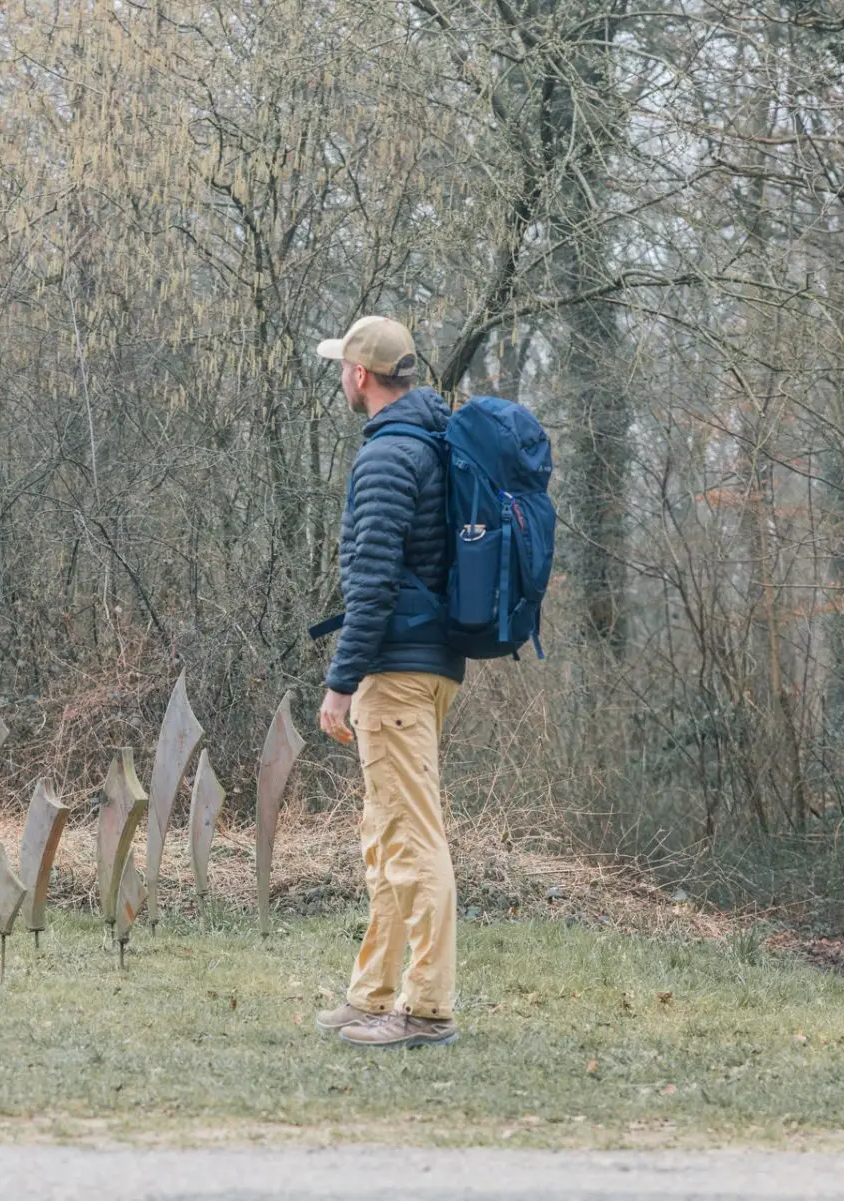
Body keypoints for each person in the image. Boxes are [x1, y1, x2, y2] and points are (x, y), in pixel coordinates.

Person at [311, 315, 465, 1050]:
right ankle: (373, 993)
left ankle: (427, 1008)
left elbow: (371, 584)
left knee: (412, 840)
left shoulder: (385, 459)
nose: (341, 375)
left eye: (343, 365)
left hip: (396, 672)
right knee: (386, 836)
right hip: (428, 663)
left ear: (361, 376)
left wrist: (341, 681)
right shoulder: (429, 444)